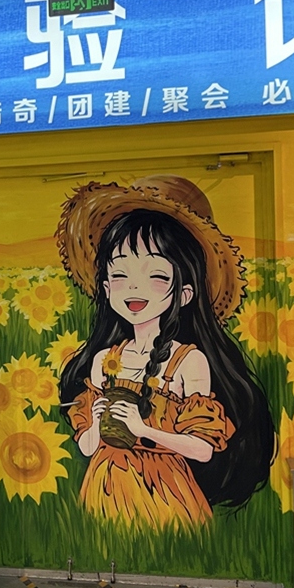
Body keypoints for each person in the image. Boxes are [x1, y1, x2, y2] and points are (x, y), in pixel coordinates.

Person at [57, 177, 275, 530]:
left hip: (165, 494)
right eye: (122, 274)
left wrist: (144, 429)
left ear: (184, 293)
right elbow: (87, 447)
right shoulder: (103, 362)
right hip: (104, 488)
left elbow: (204, 449)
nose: (135, 288)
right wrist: (96, 421)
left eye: (155, 275)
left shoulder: (188, 361)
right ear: (108, 288)